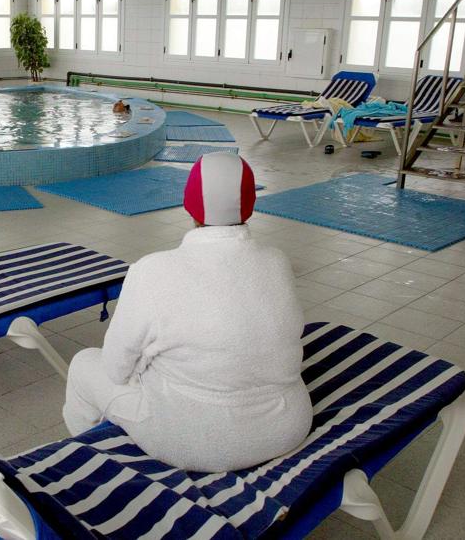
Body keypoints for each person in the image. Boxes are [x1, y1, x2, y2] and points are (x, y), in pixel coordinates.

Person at [62, 152, 312, 472]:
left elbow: (115, 369)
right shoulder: (276, 261)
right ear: (250, 203)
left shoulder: (153, 270)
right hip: (286, 427)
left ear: (188, 205)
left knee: (84, 364)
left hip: (197, 442)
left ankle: (86, 467)